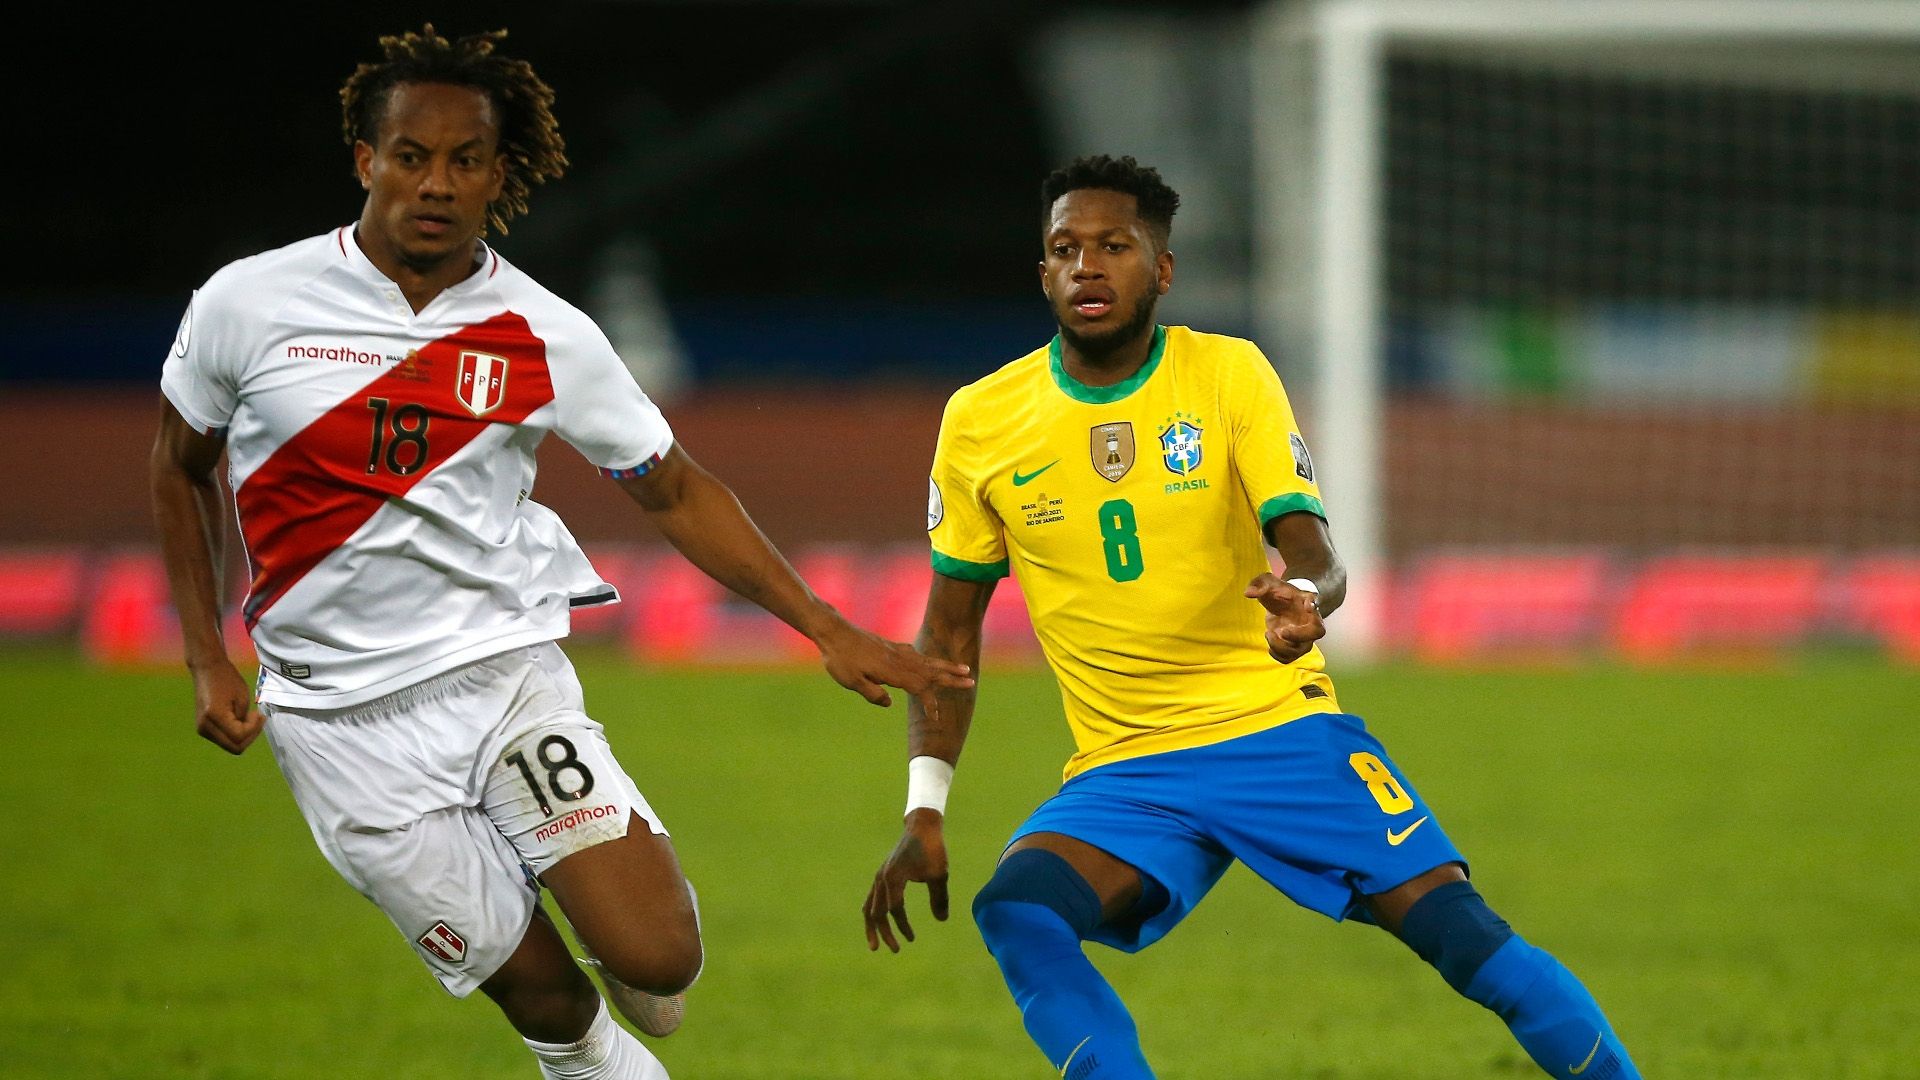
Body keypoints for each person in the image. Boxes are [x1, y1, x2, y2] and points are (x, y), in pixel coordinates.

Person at [148, 25, 971, 1080]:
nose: (435, 184)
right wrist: (207, 656)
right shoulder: (248, 304)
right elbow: (179, 466)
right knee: (552, 1003)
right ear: (366, 160)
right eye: (411, 157)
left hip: (502, 683)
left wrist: (824, 625)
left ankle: (602, 934)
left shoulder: (544, 332)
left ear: (502, 171)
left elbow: (672, 486)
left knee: (661, 958)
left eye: (464, 160)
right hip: (340, 725)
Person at [862, 155, 1639, 1080]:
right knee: (1020, 912)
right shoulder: (980, 419)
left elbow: (1315, 555)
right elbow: (948, 638)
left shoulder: (1227, 373)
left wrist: (1305, 605)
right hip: (1126, 767)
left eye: (1115, 246)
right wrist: (924, 806)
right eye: (1065, 250)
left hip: (1273, 732)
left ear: (1165, 267)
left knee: (1459, 936)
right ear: (1043, 274)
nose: (1087, 268)